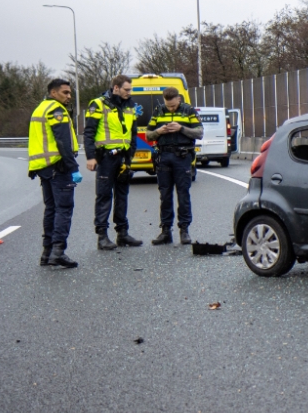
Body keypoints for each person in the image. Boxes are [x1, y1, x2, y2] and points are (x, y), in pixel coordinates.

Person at [84, 74, 143, 250]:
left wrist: (131, 154)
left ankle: (122, 234)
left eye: (130, 89)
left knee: (122, 195)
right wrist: (91, 156)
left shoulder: (131, 106)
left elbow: (133, 132)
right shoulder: (98, 104)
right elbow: (89, 132)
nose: (129, 92)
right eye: (126, 89)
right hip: (106, 157)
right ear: (116, 88)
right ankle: (102, 236)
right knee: (104, 196)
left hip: (123, 157)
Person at [27, 78, 81, 268]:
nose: (68, 96)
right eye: (65, 92)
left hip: (44, 168)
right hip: (59, 167)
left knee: (51, 209)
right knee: (64, 209)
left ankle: (47, 253)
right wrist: (73, 167)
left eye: (69, 92)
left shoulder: (40, 108)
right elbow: (63, 142)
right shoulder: (57, 111)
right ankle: (58, 252)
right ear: (53, 93)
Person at [146, 87, 203, 246]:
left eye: (172, 105)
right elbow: (148, 135)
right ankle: (165, 231)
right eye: (168, 105)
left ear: (179, 99)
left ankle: (184, 230)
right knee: (165, 195)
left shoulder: (188, 111)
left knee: (183, 194)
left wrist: (181, 128)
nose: (170, 108)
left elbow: (199, 133)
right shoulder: (158, 111)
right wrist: (159, 131)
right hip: (163, 156)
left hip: (182, 156)